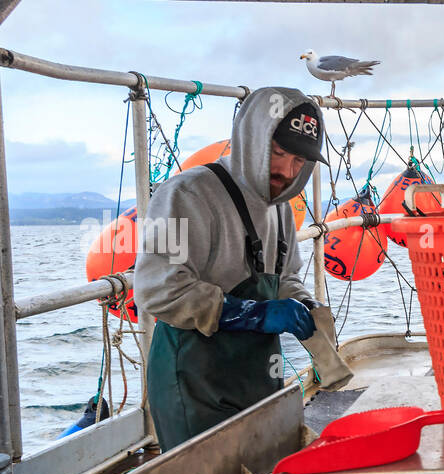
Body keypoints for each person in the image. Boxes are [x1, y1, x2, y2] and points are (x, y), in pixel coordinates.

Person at [136, 86, 325, 451]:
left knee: (263, 469)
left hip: (258, 374)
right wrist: (254, 313)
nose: (286, 172)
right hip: (195, 379)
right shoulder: (185, 194)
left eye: (299, 161)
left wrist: (304, 304)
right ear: (251, 140)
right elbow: (158, 290)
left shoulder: (282, 206)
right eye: (278, 153)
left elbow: (286, 277)